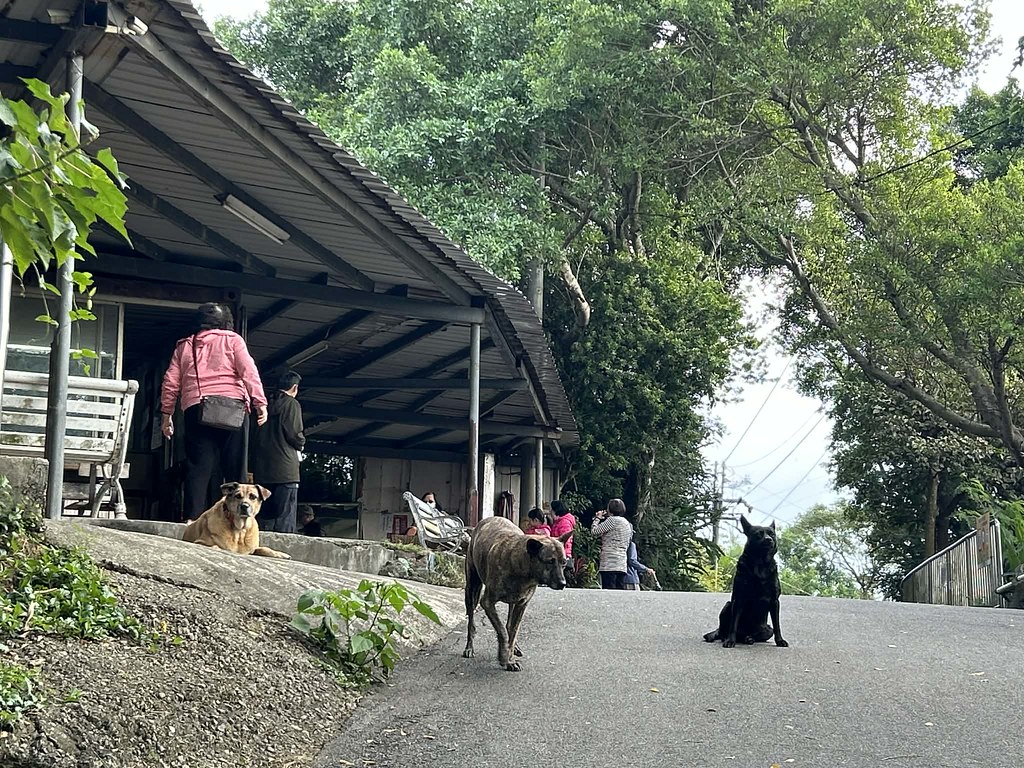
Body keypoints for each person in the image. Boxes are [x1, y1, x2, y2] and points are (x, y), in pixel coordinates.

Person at [160, 303, 267, 521]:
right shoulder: (233, 340)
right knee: (235, 467)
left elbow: (171, 382)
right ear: (226, 322)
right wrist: (260, 402)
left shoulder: (185, 346)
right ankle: (238, 518)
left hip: (197, 409)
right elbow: (248, 371)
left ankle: (194, 519)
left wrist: (166, 415)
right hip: (233, 409)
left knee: (197, 468)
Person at [252, 370, 305, 533]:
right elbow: (294, 433)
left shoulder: (264, 403)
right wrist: (302, 443)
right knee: (285, 518)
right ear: (294, 387)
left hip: (262, 469)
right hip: (285, 471)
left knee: (263, 515)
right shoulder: (292, 404)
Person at [591, 498, 633, 590]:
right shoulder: (626, 523)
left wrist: (597, 518)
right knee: (619, 590)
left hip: (609, 562)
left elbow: (594, 531)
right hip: (621, 562)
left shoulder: (612, 520)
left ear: (609, 509)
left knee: (609, 590)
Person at [549, 499, 577, 578]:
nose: (550, 512)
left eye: (552, 509)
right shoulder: (559, 521)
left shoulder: (564, 522)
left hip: (562, 553)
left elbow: (565, 539)